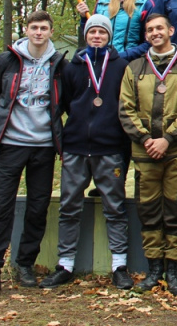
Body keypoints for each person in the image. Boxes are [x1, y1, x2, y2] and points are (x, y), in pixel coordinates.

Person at [0, 11, 66, 297]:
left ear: (51, 32)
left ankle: (25, 264)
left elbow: (66, 99)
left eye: (44, 28)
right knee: (0, 207)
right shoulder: (8, 59)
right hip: (11, 145)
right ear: (26, 29)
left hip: (44, 147)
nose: (38, 32)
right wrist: (5, 121)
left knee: (37, 208)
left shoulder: (59, 63)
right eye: (34, 27)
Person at [40, 15, 133, 290]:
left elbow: (125, 103)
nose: (96, 36)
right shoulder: (72, 67)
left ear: (108, 36)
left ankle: (119, 265)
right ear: (86, 35)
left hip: (110, 148)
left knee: (115, 207)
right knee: (69, 206)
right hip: (77, 147)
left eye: (101, 32)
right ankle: (65, 264)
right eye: (92, 31)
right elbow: (67, 102)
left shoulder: (121, 66)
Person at [118, 13, 177, 295]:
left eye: (160, 28)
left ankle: (174, 270)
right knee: (149, 211)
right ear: (146, 35)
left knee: (176, 211)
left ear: (171, 30)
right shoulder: (134, 68)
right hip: (144, 155)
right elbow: (125, 110)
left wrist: (167, 139)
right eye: (150, 30)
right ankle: (154, 267)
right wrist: (145, 140)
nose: (155, 33)